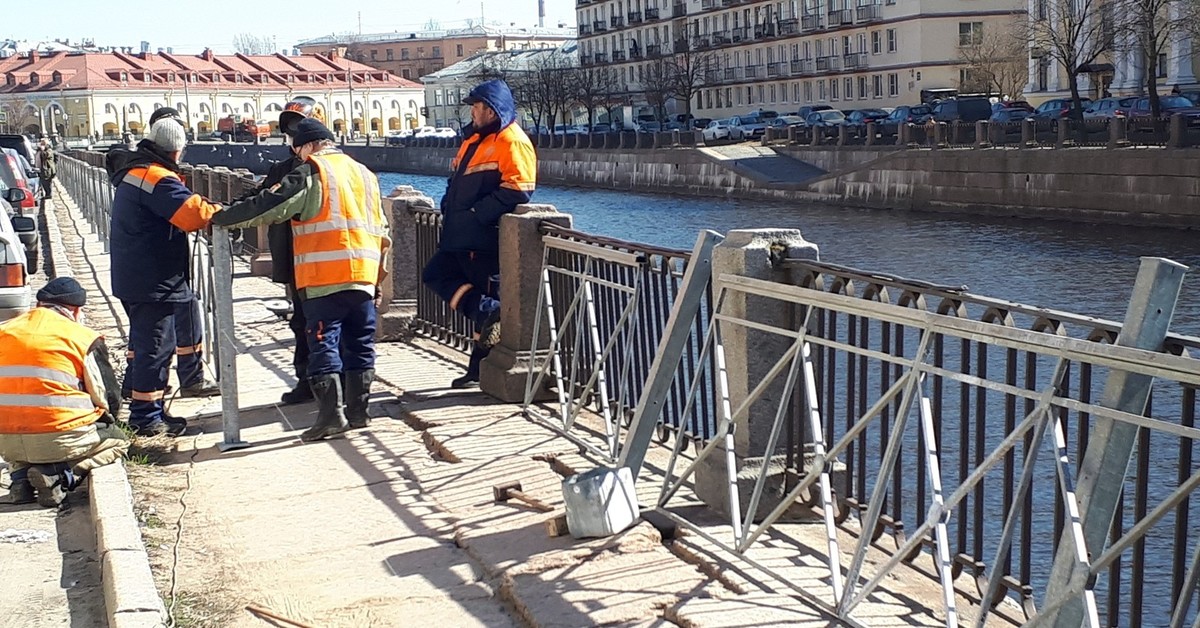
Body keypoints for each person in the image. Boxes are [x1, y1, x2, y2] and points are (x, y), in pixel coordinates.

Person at [212, 118, 390, 442]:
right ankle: (360, 412)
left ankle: (331, 416)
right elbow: (383, 231)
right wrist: (378, 278)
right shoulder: (365, 174)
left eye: (297, 149)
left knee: (323, 344)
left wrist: (223, 217)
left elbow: (272, 204)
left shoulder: (312, 172)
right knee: (361, 342)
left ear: (306, 146)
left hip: (324, 278)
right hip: (363, 275)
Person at [107, 115, 222, 437]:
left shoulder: (135, 171)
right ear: (177, 150)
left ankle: (148, 405)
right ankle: (146, 418)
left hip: (138, 274)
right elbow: (192, 215)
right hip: (153, 279)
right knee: (155, 347)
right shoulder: (156, 177)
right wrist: (218, 210)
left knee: (147, 344)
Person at [420, 79, 536, 388]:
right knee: (436, 276)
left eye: (478, 107)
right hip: (461, 234)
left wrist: (476, 216)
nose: (472, 112)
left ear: (492, 110)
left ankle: (479, 367)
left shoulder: (511, 140)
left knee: (477, 293)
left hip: (481, 238)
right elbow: (456, 182)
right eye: (472, 106)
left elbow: (520, 189)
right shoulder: (473, 140)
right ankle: (487, 324)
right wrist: (449, 206)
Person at [0, 278, 129, 507]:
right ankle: (60, 474)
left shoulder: (5, 330)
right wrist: (109, 420)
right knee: (118, 442)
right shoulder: (81, 337)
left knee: (21, 435)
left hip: (6, 441)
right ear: (77, 310)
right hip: (59, 437)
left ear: (39, 304)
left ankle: (19, 480)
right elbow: (109, 397)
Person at [260, 97, 321, 405]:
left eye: (299, 127)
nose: (294, 135)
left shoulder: (328, 168)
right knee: (301, 321)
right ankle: (306, 381)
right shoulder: (281, 170)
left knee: (324, 324)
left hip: (324, 259)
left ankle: (335, 386)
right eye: (290, 129)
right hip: (296, 261)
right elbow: (257, 201)